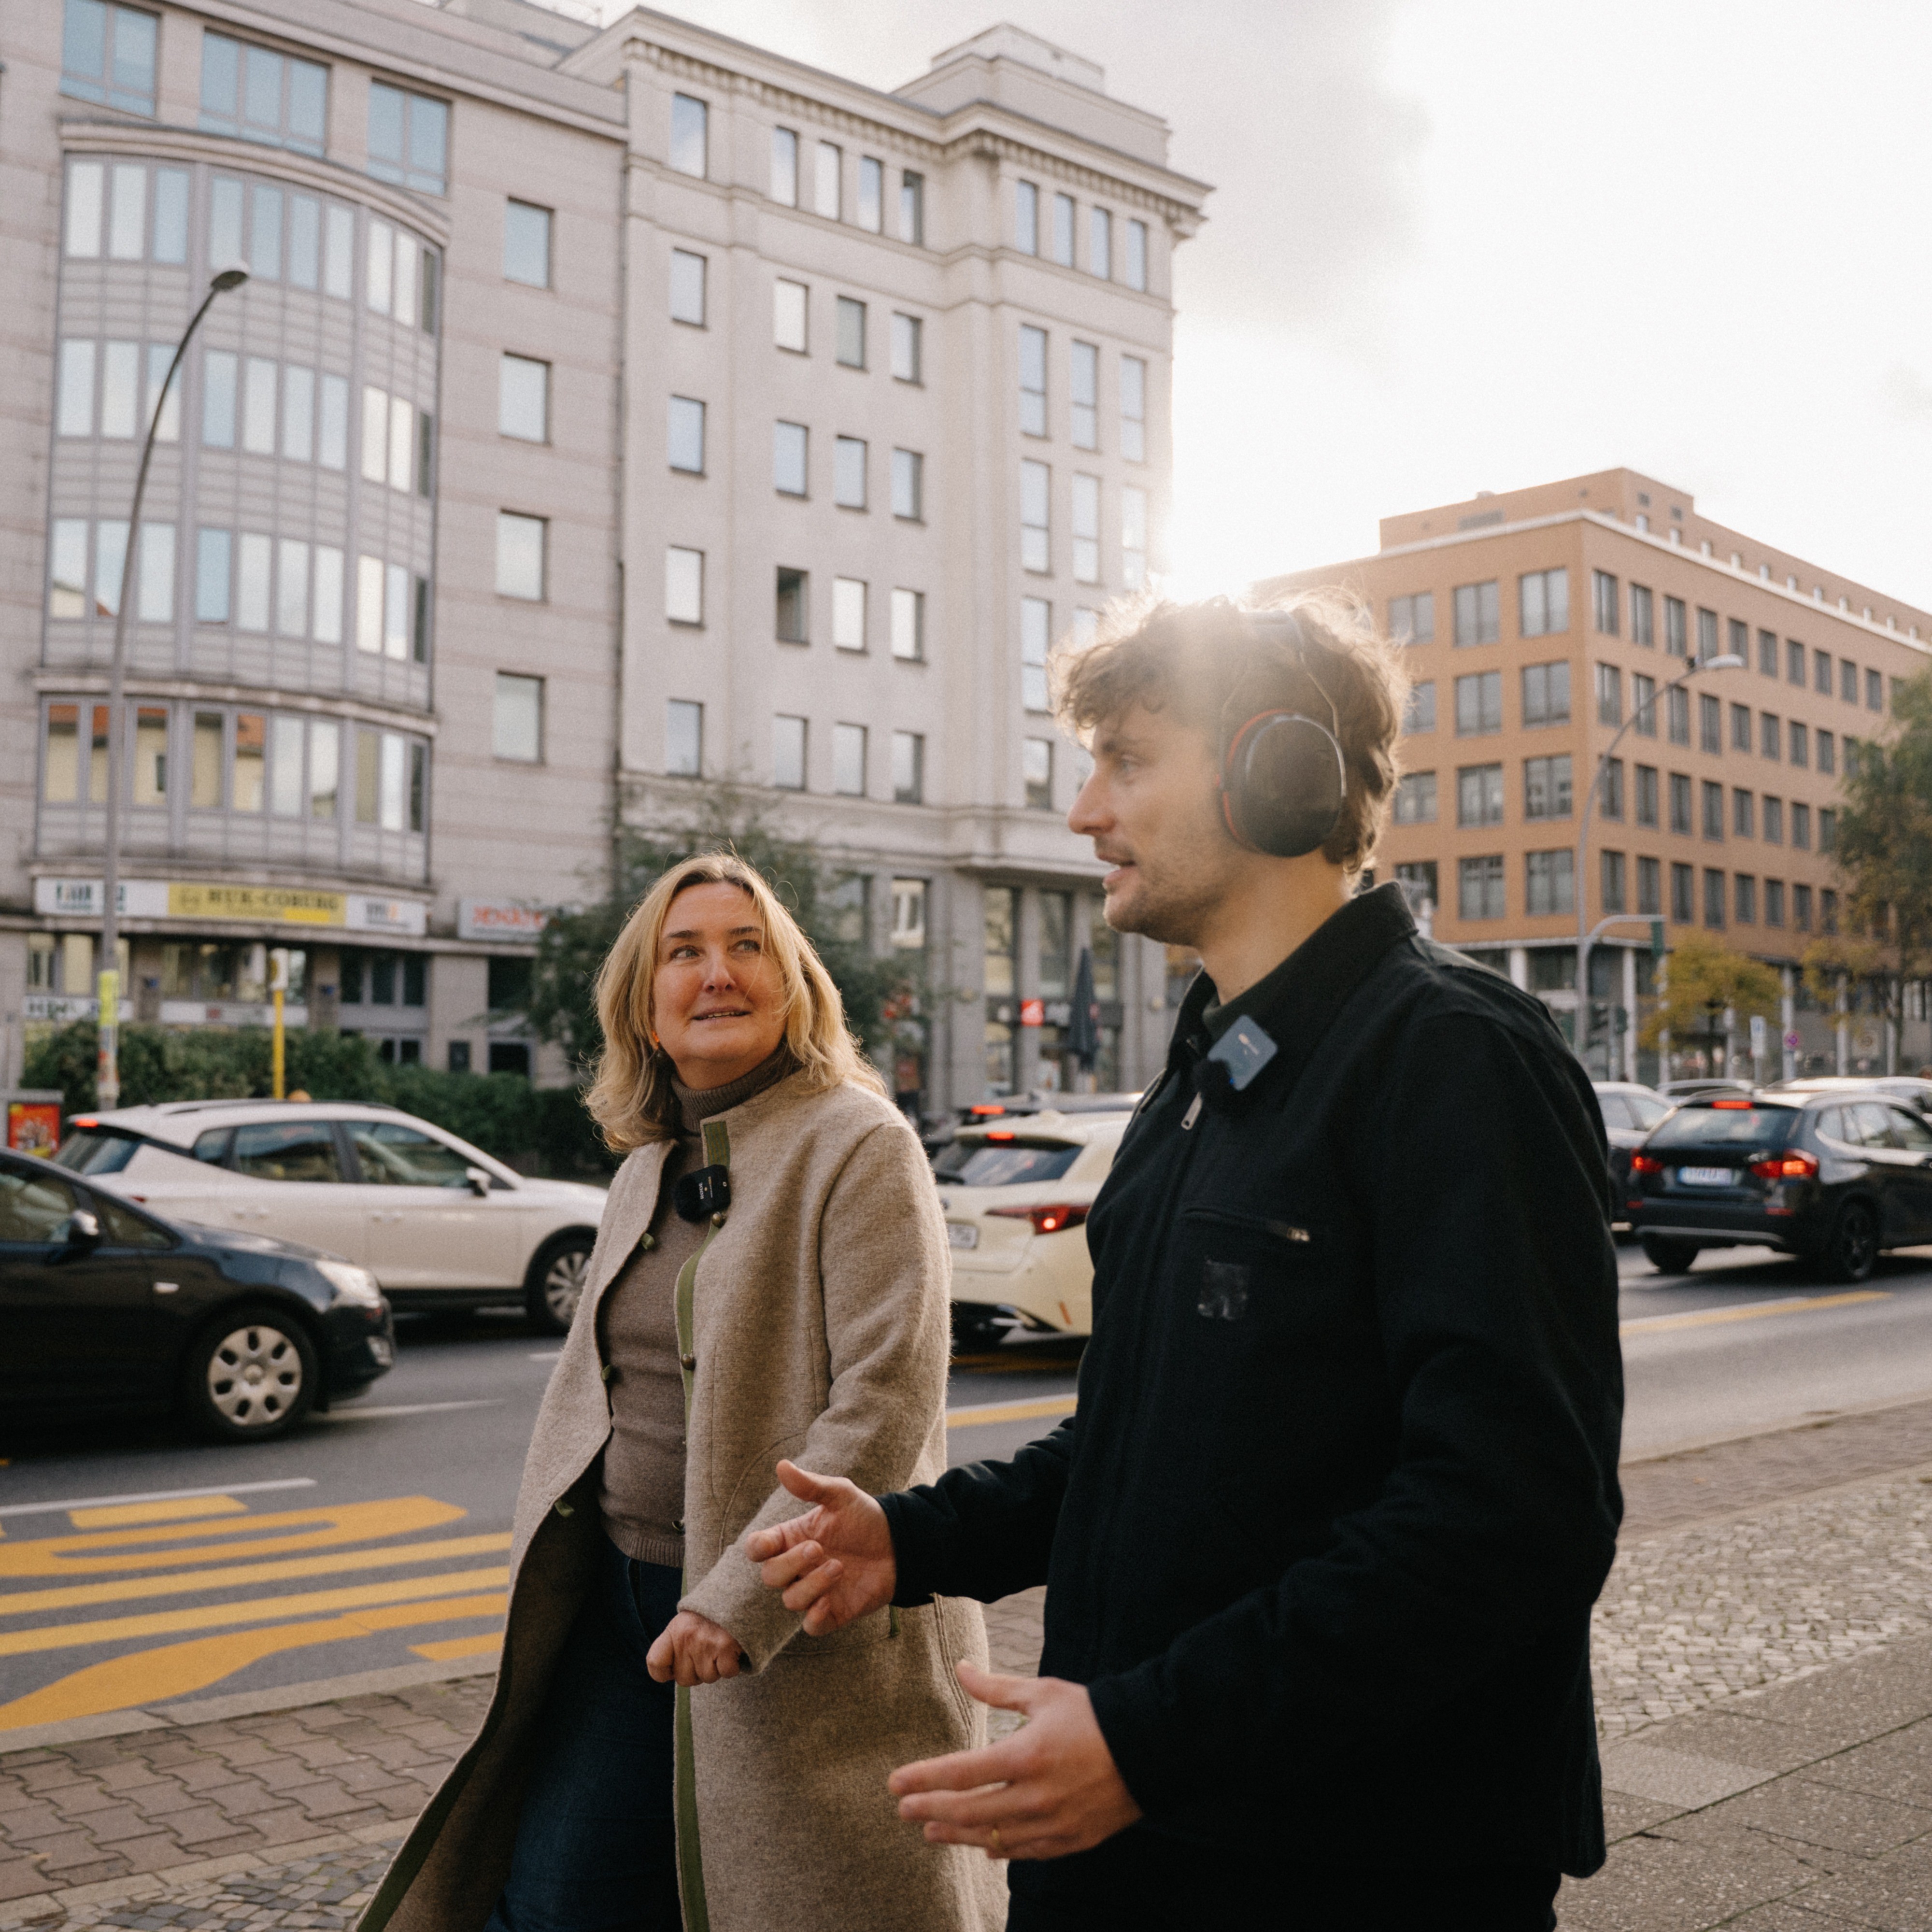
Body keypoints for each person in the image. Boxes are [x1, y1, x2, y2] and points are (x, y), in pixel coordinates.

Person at [749, 596, 1625, 1931]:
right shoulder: (1206, 1076)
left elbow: (1508, 1520)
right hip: (1144, 1846)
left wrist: (1151, 1738)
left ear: (1275, 766)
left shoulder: (1450, 1060)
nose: (1087, 813)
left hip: (1348, 1870)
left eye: (1128, 759)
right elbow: (1137, 1448)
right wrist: (913, 1538)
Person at [357, 853, 1003, 1932]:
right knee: (558, 1903)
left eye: (747, 946)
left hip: (791, 1630)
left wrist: (734, 1600)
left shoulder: (859, 1142)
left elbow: (885, 1401)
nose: (717, 972)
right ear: (645, 1005)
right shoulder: (646, 1166)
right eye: (684, 951)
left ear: (793, 984)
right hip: (620, 1613)